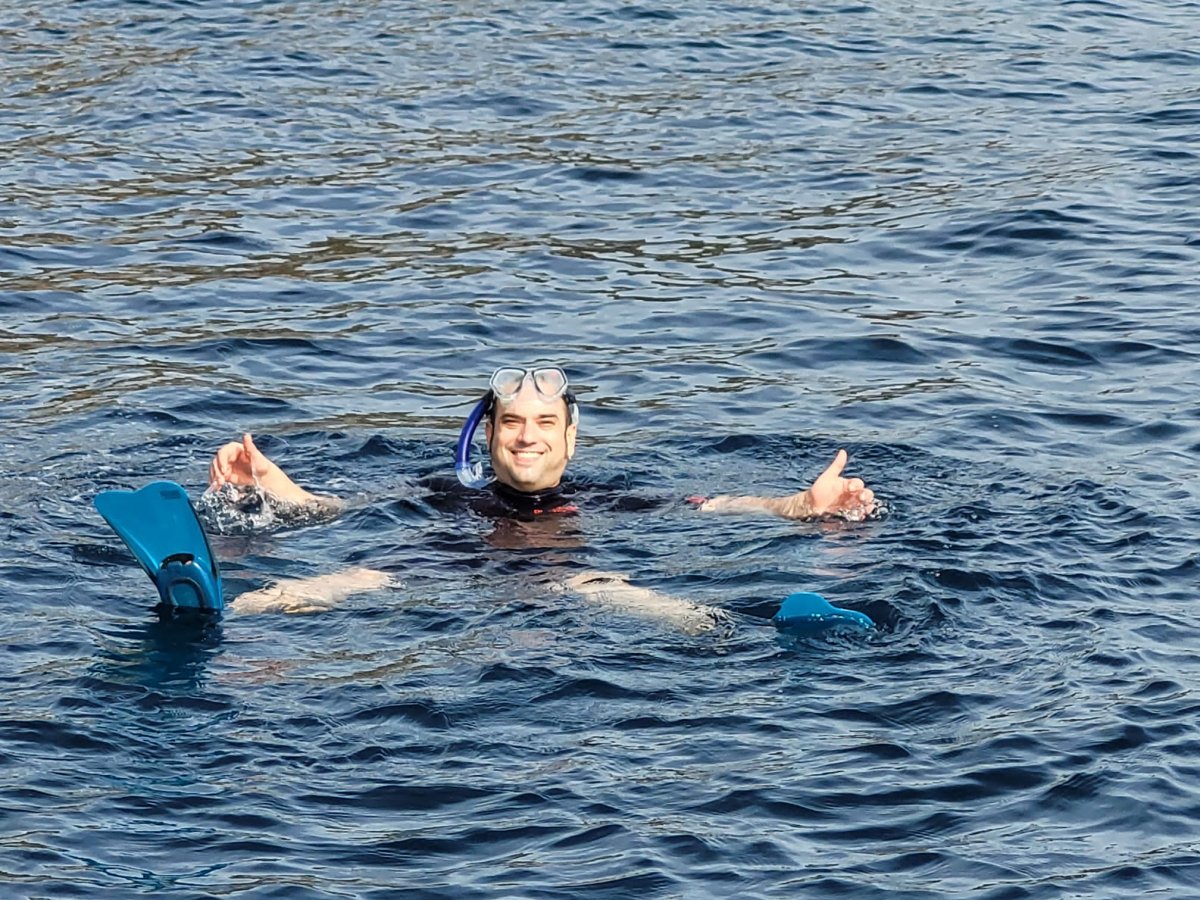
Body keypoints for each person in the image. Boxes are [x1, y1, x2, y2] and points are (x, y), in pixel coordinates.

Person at [207, 366, 877, 620]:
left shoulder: (605, 497)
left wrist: (798, 507)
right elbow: (332, 511)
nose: (529, 438)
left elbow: (713, 506)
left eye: (545, 424)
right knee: (352, 578)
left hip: (567, 578)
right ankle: (222, 612)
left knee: (620, 595)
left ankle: (727, 635)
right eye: (514, 424)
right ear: (489, 433)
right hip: (438, 567)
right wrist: (272, 486)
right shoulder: (440, 490)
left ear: (570, 439)